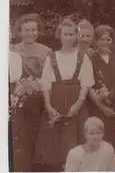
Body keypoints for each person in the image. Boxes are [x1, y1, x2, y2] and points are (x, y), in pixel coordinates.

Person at [33, 20, 95, 171]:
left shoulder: (82, 57)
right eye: (65, 34)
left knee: (76, 144)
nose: (68, 37)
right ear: (59, 36)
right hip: (56, 103)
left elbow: (86, 84)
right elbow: (46, 85)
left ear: (76, 36)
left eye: (71, 34)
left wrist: (79, 104)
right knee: (56, 147)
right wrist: (48, 106)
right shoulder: (52, 57)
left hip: (76, 103)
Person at [10, 13, 52, 171]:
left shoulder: (46, 51)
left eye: (33, 30)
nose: (30, 33)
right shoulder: (13, 50)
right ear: (19, 32)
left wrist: (35, 85)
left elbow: (50, 76)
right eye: (26, 30)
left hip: (40, 96)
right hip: (18, 95)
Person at [87, 25, 115, 159]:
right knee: (102, 139)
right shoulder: (90, 59)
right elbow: (88, 86)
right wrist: (102, 107)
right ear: (95, 41)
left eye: (108, 39)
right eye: (102, 39)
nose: (105, 42)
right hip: (99, 107)